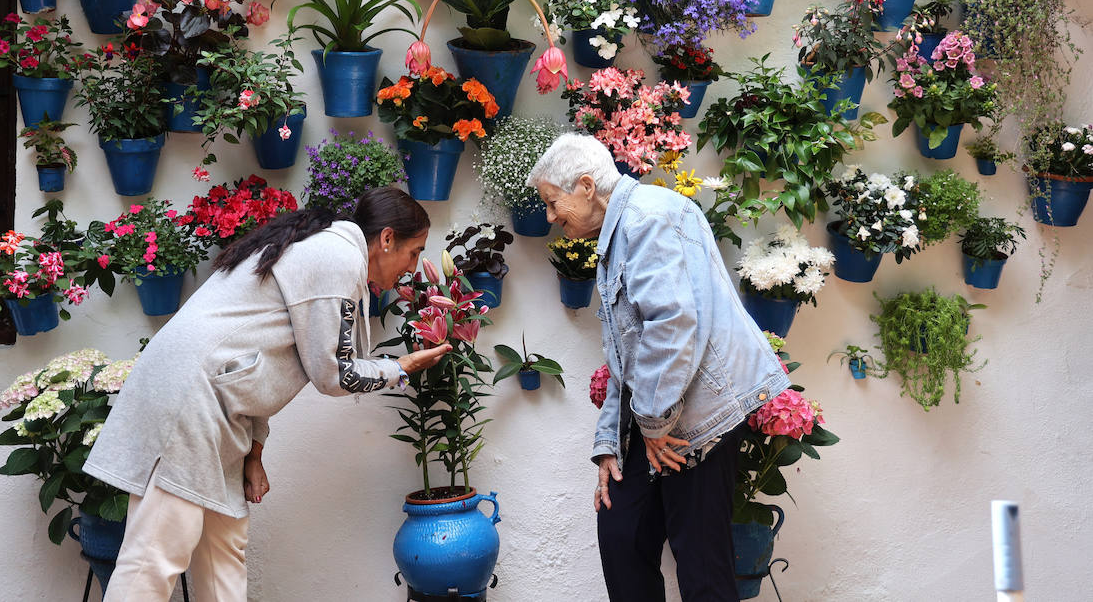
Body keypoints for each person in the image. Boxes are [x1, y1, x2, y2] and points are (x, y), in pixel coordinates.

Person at [85, 186, 451, 602]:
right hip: (193, 397)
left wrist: (254, 452)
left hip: (215, 398)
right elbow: (334, 374)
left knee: (223, 546)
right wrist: (399, 367)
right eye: (413, 250)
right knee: (158, 548)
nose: (414, 265)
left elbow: (256, 355)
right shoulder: (339, 260)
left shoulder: (325, 251)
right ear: (386, 239)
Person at [526, 133, 790, 602]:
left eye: (552, 202)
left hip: (699, 420)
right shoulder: (617, 231)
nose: (549, 217)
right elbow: (622, 357)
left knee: (703, 569)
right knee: (622, 537)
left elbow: (673, 325)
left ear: (586, 186)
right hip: (658, 417)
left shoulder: (649, 217)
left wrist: (651, 424)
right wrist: (611, 442)